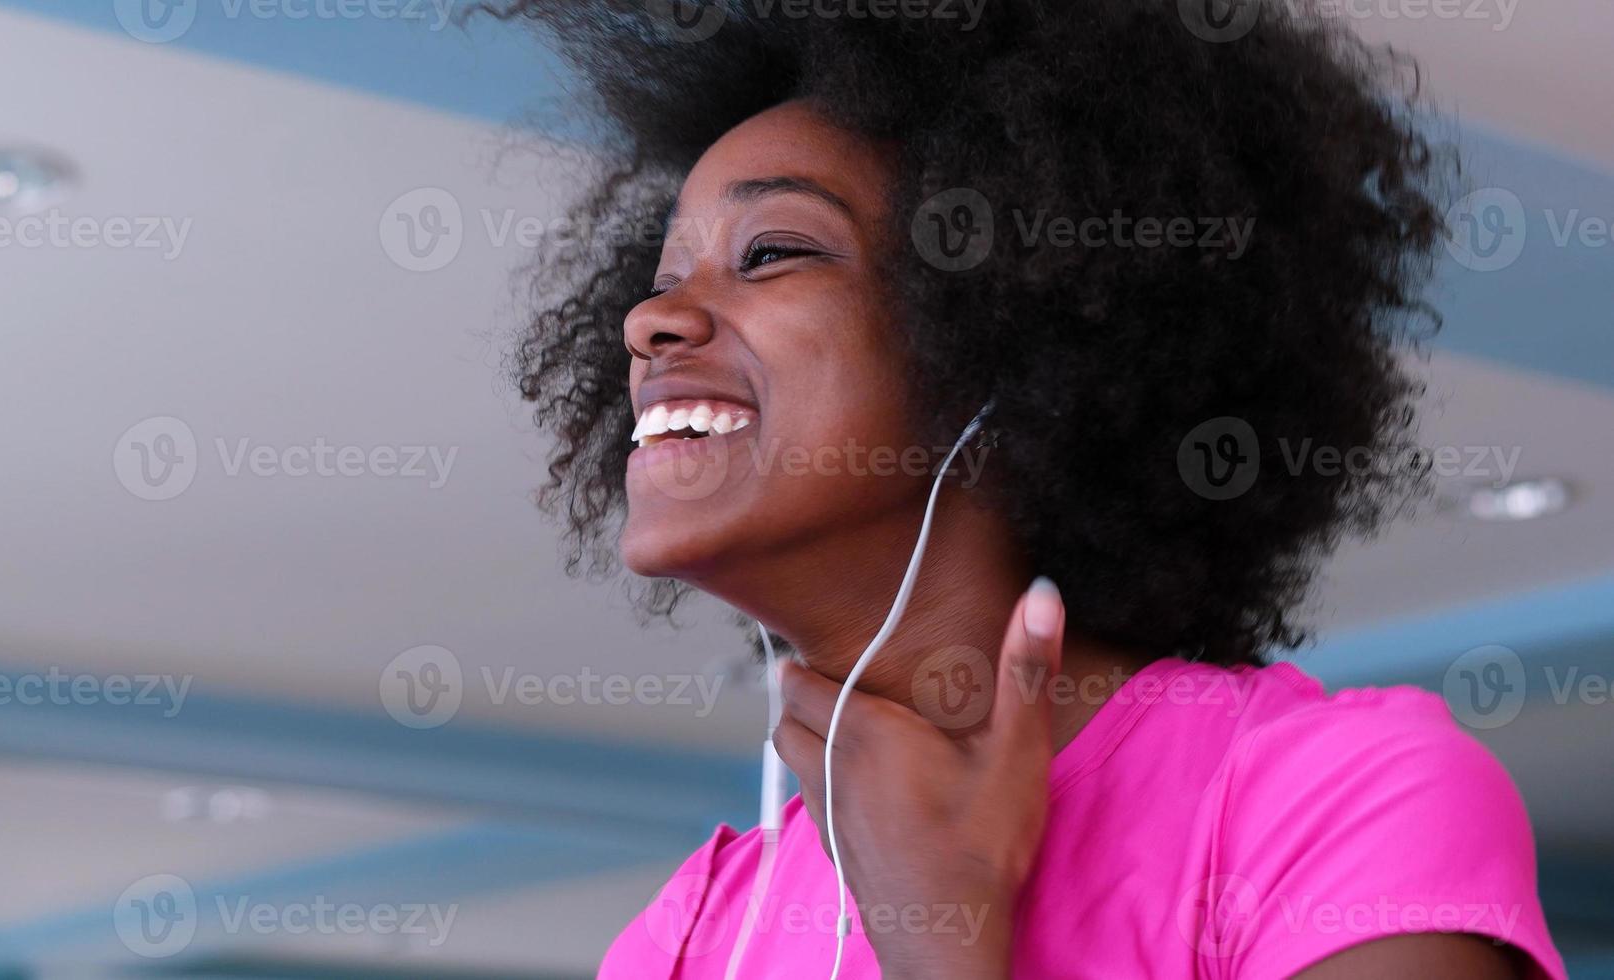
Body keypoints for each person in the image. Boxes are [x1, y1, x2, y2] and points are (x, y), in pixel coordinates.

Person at [484, 0, 1567, 975]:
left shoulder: (1337, 804)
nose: (648, 322)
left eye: (769, 250)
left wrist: (938, 943)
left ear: (1010, 337)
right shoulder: (696, 929)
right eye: (661, 277)